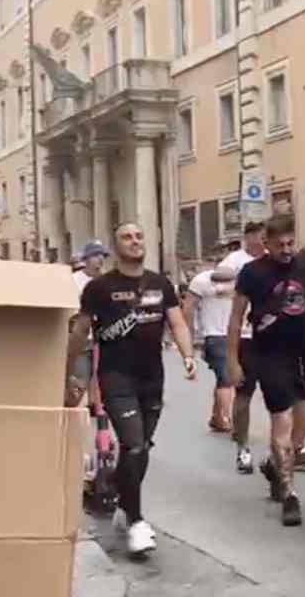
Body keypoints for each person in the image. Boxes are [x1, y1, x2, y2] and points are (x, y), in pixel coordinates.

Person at [68, 223, 197, 555]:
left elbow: (177, 322)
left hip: (152, 378)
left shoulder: (160, 284)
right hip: (116, 377)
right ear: (115, 246)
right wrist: (65, 367)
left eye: (139, 236)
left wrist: (188, 355)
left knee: (142, 448)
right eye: (127, 237)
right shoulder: (99, 288)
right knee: (134, 445)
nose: (135, 241)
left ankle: (121, 496)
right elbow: (81, 331)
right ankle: (137, 521)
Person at [227, 215, 305, 526]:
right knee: (281, 422)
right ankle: (289, 493)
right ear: (265, 244)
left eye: (289, 243)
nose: (285, 249)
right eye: (279, 244)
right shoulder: (252, 273)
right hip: (268, 355)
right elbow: (235, 317)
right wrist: (232, 360)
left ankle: (274, 463)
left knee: (304, 420)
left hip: (300, 354)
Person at [220, 221, 267, 474]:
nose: (263, 241)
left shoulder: (274, 260)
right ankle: (243, 447)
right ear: (248, 238)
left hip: (274, 338)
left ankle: (288, 449)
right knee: (244, 393)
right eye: (259, 237)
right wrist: (244, 277)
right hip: (246, 336)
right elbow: (217, 275)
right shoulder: (236, 260)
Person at [186, 257, 236, 433]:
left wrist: (189, 337)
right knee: (226, 380)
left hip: (213, 336)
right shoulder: (240, 280)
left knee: (223, 378)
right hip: (233, 335)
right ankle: (226, 418)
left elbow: (189, 309)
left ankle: (217, 416)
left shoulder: (201, 281)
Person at [68, 240, 110, 408]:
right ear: (85, 259)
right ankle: (68, 410)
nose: (100, 259)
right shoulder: (73, 280)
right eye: (95, 255)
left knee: (104, 382)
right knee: (80, 380)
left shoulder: (107, 281)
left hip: (104, 338)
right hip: (82, 339)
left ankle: (97, 411)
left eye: (103, 256)